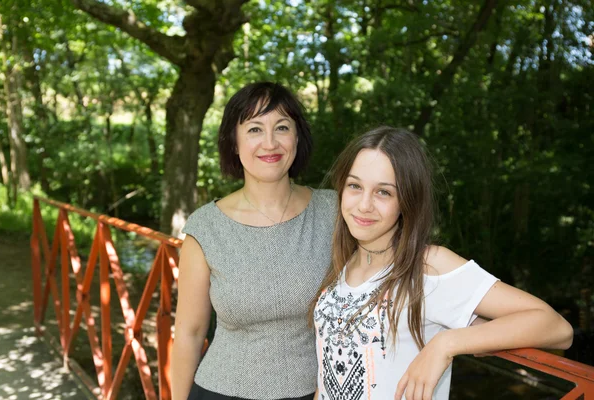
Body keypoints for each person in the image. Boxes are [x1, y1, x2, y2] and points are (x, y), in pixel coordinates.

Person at [311, 126, 574, 400]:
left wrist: (445, 344)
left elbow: (557, 328)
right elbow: (327, 378)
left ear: (407, 201)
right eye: (355, 186)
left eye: (384, 192)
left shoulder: (427, 266)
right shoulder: (345, 263)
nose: (364, 204)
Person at [171, 82, 338, 400]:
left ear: (297, 137)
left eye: (282, 127)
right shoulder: (206, 227)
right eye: (254, 129)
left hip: (318, 392)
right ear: (233, 142)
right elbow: (190, 334)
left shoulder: (333, 212)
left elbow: (393, 267)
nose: (270, 143)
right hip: (222, 390)